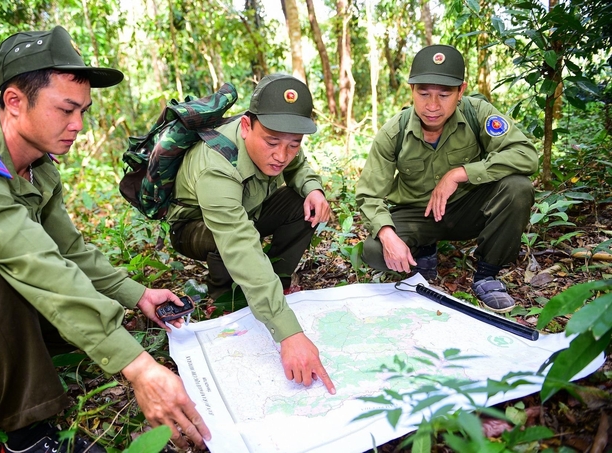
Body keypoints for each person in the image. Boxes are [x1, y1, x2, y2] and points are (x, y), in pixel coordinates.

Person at [0, 26, 210, 452]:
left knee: (76, 322)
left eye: (83, 110)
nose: (78, 125)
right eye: (65, 109)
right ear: (14, 102)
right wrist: (138, 368)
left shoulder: (39, 169)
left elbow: (69, 250)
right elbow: (32, 259)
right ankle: (29, 436)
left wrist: (137, 295)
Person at [166, 73, 336, 395]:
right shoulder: (217, 165)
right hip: (196, 226)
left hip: (249, 212)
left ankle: (277, 283)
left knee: (302, 203)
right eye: (272, 143)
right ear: (246, 127)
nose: (281, 155)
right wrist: (288, 333)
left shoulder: (281, 140)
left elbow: (298, 166)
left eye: (293, 144)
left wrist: (313, 189)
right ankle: (223, 301)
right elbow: (239, 242)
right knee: (233, 244)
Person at [356, 44, 538, 313]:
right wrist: (386, 233)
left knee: (518, 188)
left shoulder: (478, 113)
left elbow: (526, 155)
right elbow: (369, 194)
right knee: (374, 249)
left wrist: (461, 173)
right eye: (424, 93)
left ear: (460, 91)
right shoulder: (394, 131)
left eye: (444, 94)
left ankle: (487, 274)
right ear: (412, 91)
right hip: (419, 215)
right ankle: (425, 250)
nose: (432, 106)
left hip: (469, 209)